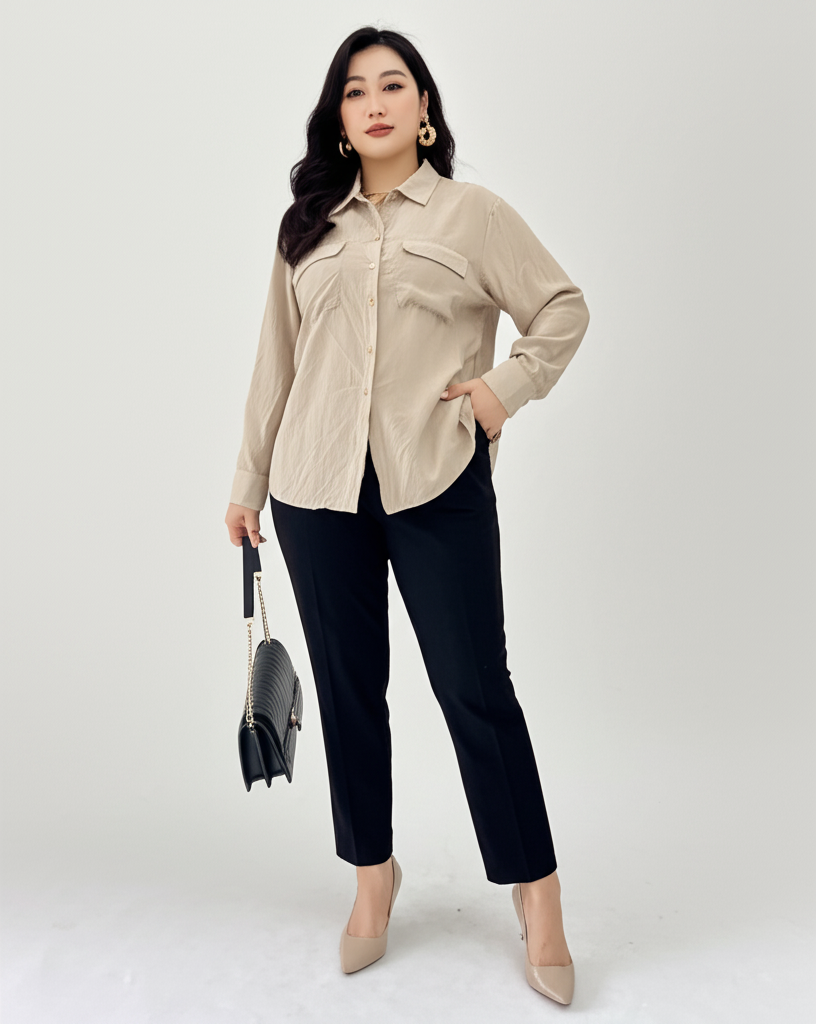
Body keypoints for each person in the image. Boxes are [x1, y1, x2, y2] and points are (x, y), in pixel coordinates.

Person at [224, 25, 590, 1005]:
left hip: (438, 479)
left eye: (394, 86)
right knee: (349, 691)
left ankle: (537, 888)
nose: (375, 102)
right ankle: (371, 873)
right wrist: (248, 481)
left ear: (424, 109)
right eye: (355, 90)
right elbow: (276, 361)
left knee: (475, 687)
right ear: (339, 119)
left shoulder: (474, 215)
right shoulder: (307, 227)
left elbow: (562, 308)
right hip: (315, 489)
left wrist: (502, 390)